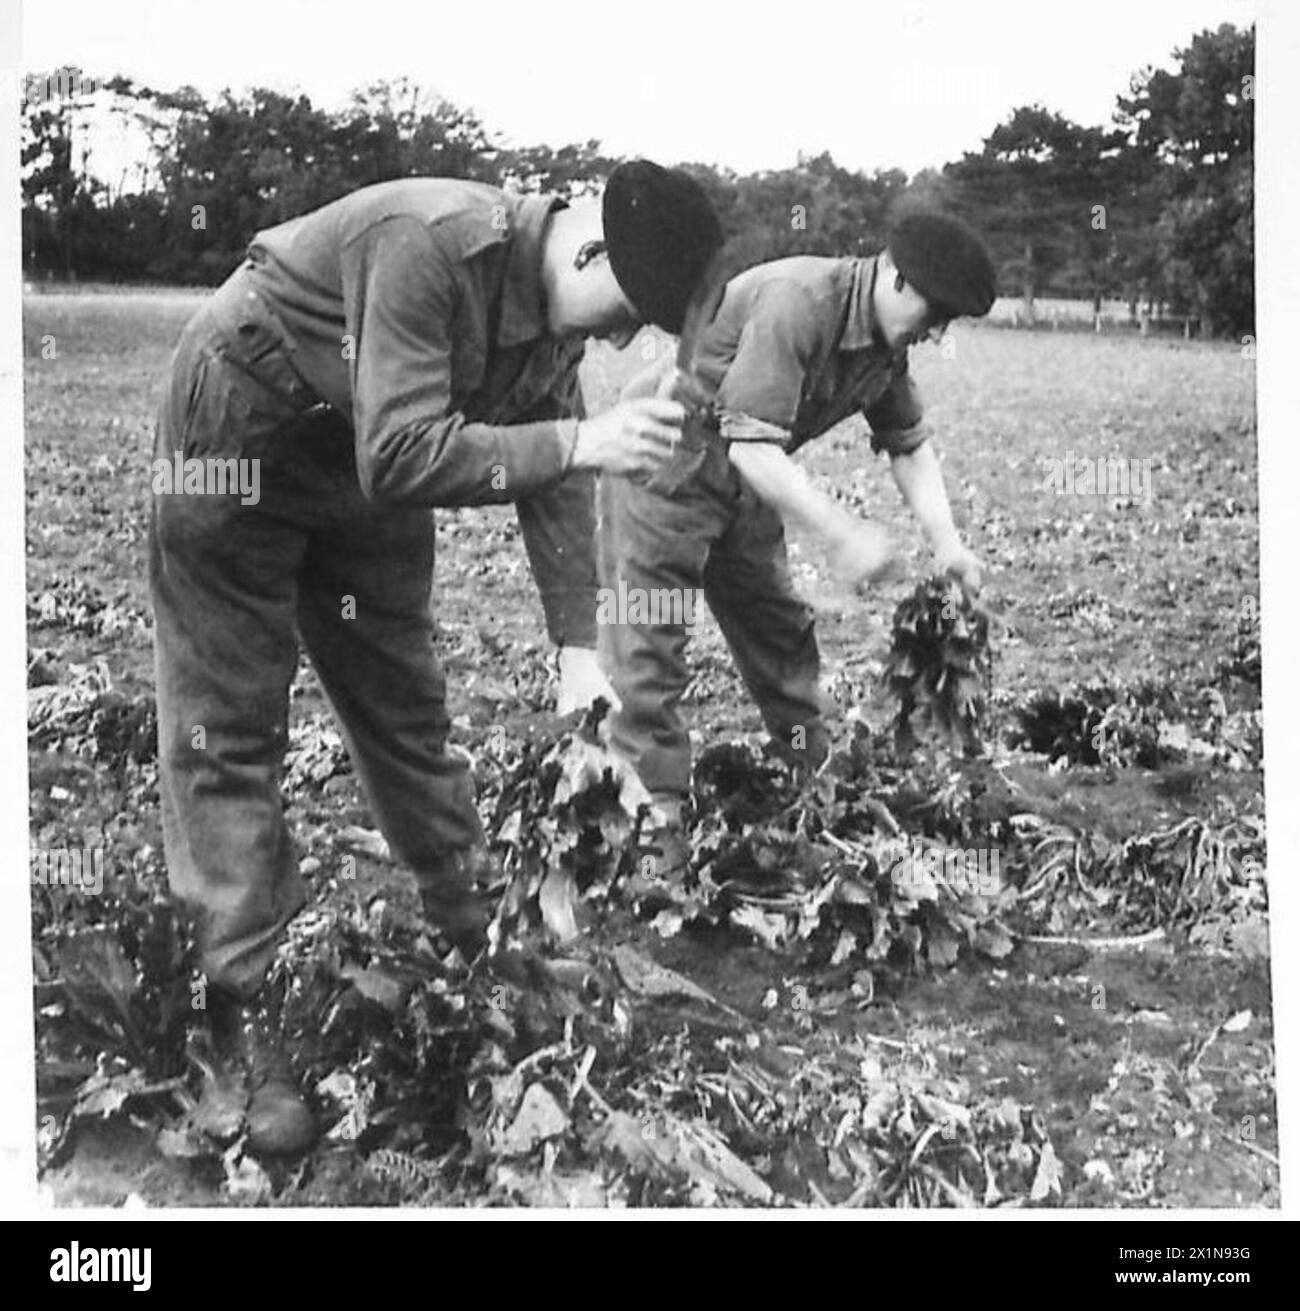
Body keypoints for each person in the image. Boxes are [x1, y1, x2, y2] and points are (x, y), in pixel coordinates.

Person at [150, 161, 722, 1152]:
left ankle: (482, 940)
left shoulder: (548, 316)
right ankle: (240, 1018)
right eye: (622, 316)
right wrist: (581, 441)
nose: (620, 340)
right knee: (228, 722)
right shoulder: (427, 240)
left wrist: (580, 657)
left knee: (405, 706)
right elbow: (410, 451)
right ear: (584, 248)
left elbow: (548, 478)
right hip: (241, 425)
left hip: (367, 463)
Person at [595, 210, 995, 873]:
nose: (938, 331)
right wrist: (842, 533)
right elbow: (752, 449)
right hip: (665, 458)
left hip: (750, 468)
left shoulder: (886, 344)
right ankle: (650, 819)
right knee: (650, 640)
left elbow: (910, 445)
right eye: (936, 311)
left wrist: (948, 543)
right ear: (895, 279)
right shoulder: (800, 303)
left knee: (777, 626)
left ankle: (811, 775)